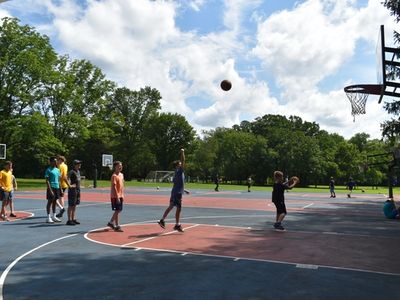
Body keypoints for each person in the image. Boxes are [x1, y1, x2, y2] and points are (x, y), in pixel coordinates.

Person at [158, 149, 186, 232]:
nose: (181, 165)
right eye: (180, 164)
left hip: (175, 192)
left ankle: (164, 220)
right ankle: (176, 224)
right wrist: (182, 152)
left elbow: (177, 183)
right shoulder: (179, 171)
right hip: (177, 193)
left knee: (173, 207)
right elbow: (183, 160)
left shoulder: (177, 172)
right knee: (178, 208)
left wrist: (184, 189)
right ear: (177, 166)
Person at [107, 161, 124, 232]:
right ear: (115, 167)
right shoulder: (114, 176)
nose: (120, 167)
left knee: (118, 210)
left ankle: (117, 225)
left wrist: (122, 195)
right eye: (119, 166)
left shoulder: (121, 175)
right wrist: (117, 197)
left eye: (121, 166)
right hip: (115, 196)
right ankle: (111, 222)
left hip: (121, 195)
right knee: (118, 210)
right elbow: (114, 187)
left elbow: (122, 185)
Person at [45, 157, 62, 223]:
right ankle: (48, 217)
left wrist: (61, 189)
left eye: (56, 161)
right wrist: (50, 190)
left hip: (57, 187)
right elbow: (47, 181)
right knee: (50, 202)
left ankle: (54, 216)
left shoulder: (57, 170)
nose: (56, 162)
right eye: (54, 161)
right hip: (51, 187)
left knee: (55, 202)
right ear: (51, 162)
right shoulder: (48, 170)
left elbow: (59, 180)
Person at [66, 160, 82, 226]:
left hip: (77, 190)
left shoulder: (78, 171)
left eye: (79, 164)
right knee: (71, 205)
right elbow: (65, 178)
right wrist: (69, 185)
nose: (79, 165)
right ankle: (69, 220)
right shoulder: (72, 171)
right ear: (75, 165)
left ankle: (73, 219)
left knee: (75, 204)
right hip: (72, 190)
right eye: (78, 164)